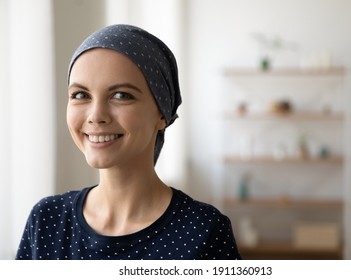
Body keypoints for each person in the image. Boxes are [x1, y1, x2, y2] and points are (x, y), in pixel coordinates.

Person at [15, 24, 242, 260]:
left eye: (121, 95)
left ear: (161, 113)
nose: (96, 116)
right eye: (80, 95)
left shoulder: (204, 231)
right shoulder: (46, 219)